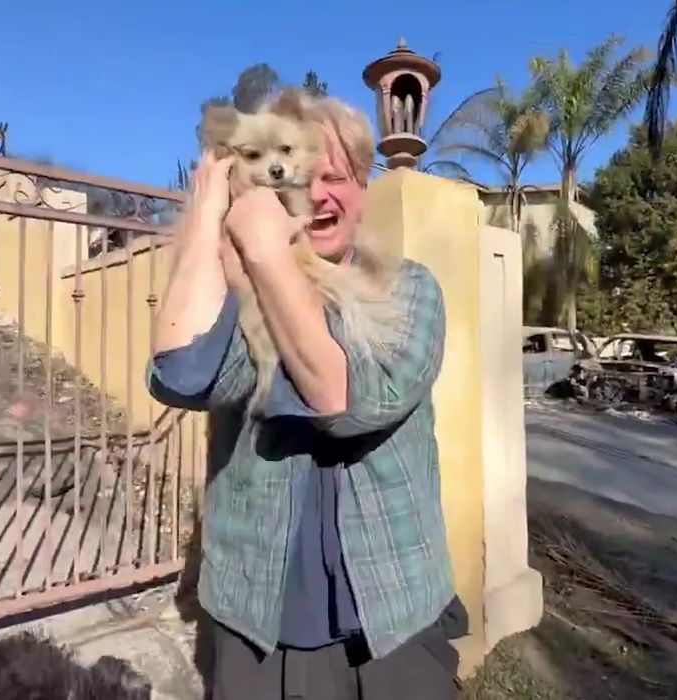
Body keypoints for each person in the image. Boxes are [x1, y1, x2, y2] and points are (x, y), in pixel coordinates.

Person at [146, 92, 465, 700]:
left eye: (336, 178)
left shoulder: (410, 290)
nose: (317, 195)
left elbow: (354, 402)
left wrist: (268, 255)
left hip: (394, 615)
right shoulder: (245, 292)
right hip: (258, 622)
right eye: (300, 176)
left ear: (363, 187)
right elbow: (182, 374)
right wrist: (210, 207)